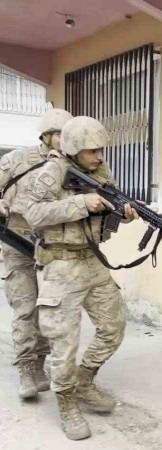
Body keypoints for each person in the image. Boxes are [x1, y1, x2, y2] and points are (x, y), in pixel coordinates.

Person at [14, 116, 140, 440]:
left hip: (93, 262)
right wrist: (80, 203)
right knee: (63, 344)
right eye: (92, 151)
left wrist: (124, 213)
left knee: (113, 327)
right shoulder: (52, 172)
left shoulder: (100, 171)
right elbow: (33, 213)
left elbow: (107, 208)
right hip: (61, 265)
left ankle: (84, 380)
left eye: (101, 150)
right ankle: (67, 403)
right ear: (73, 149)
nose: (99, 156)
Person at [0, 108, 73, 400]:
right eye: (60, 135)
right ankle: (27, 368)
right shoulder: (17, 159)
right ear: (46, 135)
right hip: (17, 239)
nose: (65, 140)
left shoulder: (73, 165)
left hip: (53, 243)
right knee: (25, 307)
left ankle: (41, 364)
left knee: (51, 309)